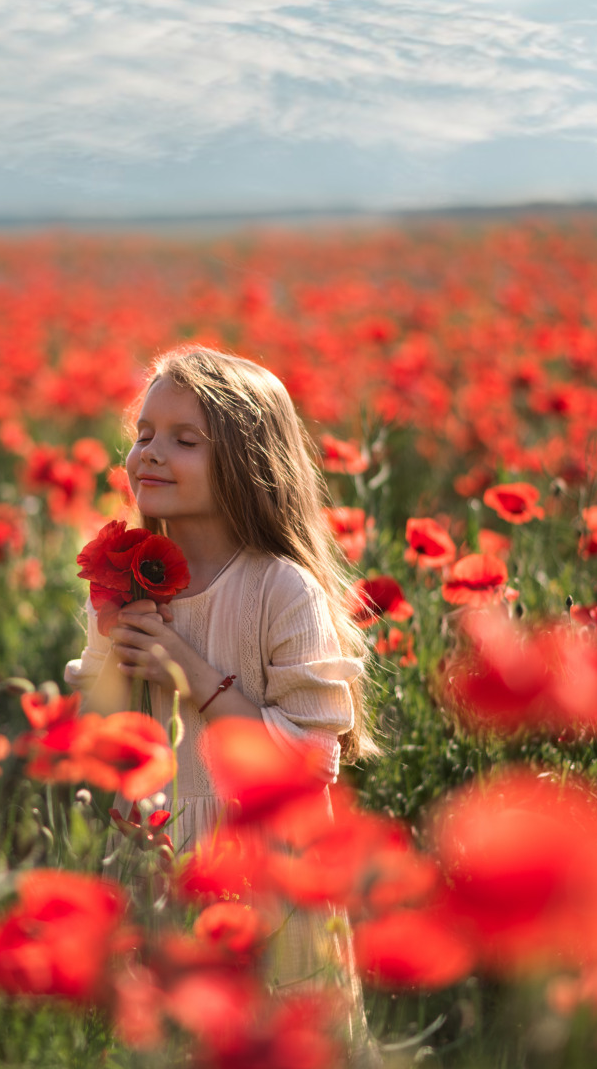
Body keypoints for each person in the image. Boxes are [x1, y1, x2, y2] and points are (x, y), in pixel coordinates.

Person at [64, 344, 378, 1055]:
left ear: (247, 461)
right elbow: (100, 737)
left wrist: (192, 676)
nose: (149, 452)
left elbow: (308, 758)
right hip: (156, 850)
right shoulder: (122, 578)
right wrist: (113, 650)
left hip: (269, 868)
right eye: (142, 433)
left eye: (183, 439)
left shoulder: (279, 588)